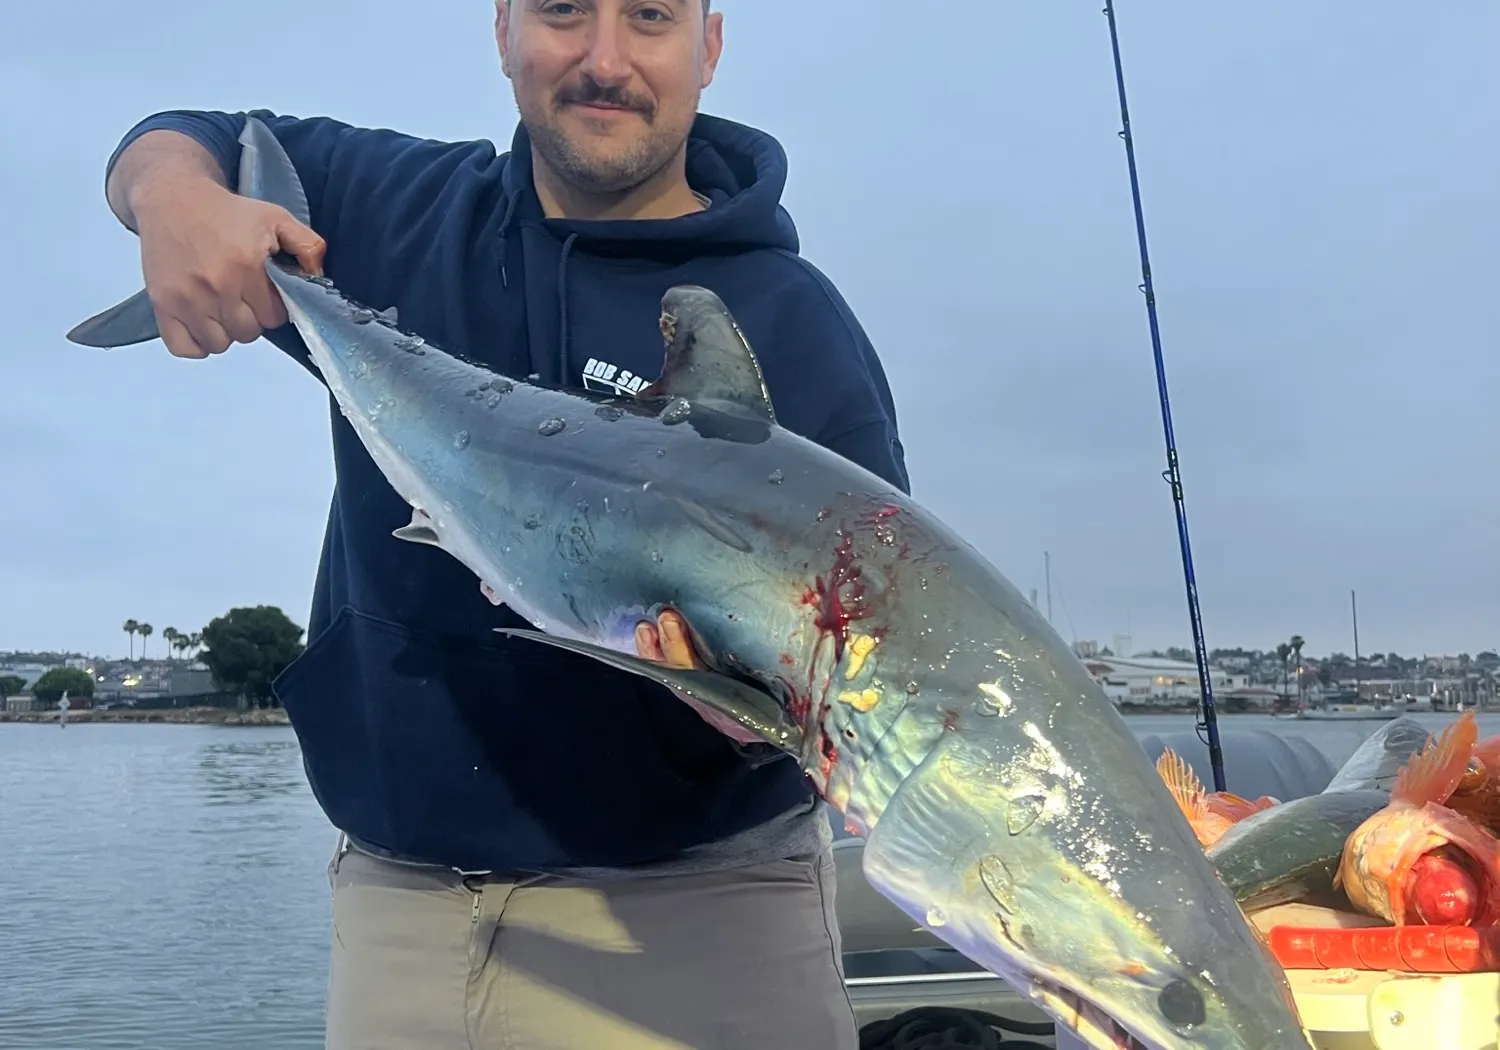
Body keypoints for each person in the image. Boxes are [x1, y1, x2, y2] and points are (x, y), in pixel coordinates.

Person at [101, 1, 909, 1047]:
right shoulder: (396, 211)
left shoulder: (795, 325)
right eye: (565, 10)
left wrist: (777, 723)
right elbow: (195, 135)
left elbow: (872, 658)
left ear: (708, 48)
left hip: (699, 920)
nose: (604, 59)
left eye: (651, 16)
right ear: (502, 31)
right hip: (399, 907)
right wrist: (173, 198)